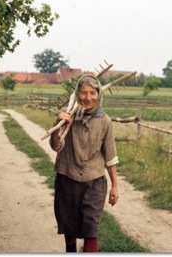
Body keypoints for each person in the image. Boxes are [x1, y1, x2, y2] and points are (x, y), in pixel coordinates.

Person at [50, 74, 119, 253]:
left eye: (92, 93)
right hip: (67, 178)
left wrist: (114, 187)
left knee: (90, 228)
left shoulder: (105, 121)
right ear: (77, 94)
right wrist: (58, 124)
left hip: (94, 182)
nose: (88, 98)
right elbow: (56, 146)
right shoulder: (69, 118)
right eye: (83, 93)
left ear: (98, 94)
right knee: (69, 224)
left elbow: (110, 156)